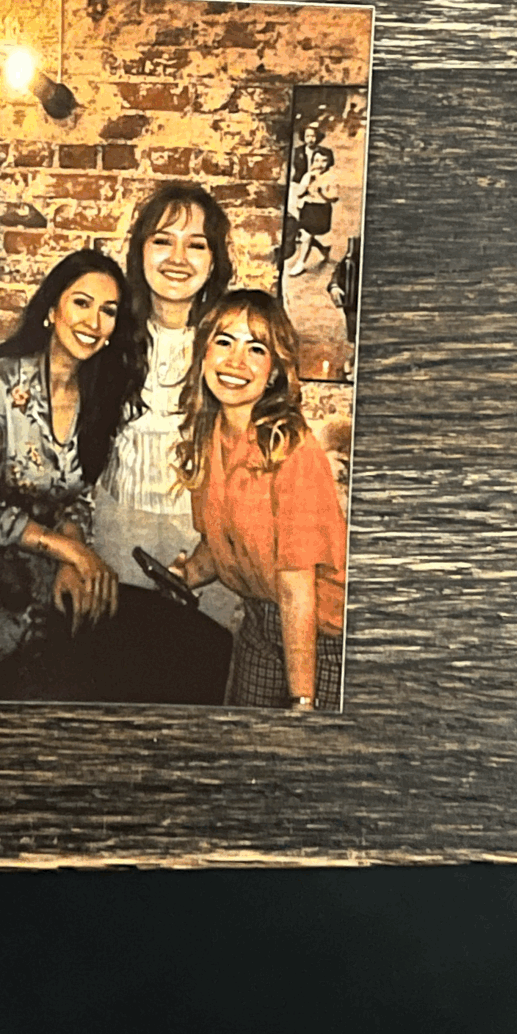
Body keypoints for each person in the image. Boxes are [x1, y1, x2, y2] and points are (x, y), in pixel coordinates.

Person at [0, 249, 141, 700]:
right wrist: (75, 554)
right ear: (52, 309)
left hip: (42, 570)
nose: (94, 322)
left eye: (108, 311)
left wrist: (69, 553)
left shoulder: (101, 395)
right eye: (82, 303)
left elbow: (78, 493)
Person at [169, 290, 347, 711]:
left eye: (256, 348)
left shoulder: (291, 450)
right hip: (260, 620)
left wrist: (303, 699)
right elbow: (222, 542)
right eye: (224, 342)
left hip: (321, 635)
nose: (235, 362)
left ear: (273, 372)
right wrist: (187, 573)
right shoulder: (209, 436)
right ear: (204, 354)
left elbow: (296, 588)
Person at [91, 182, 237, 630]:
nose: (177, 258)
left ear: (214, 262)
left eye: (196, 245)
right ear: (140, 253)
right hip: (114, 531)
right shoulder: (105, 333)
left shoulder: (232, 343)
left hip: (203, 542)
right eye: (163, 241)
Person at [289, 145, 338, 278]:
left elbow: (334, 198)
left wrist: (322, 192)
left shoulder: (331, 177)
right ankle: (318, 252)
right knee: (306, 236)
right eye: (316, 160)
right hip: (307, 209)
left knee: (307, 236)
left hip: (321, 211)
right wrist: (307, 181)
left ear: (329, 162)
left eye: (324, 161)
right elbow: (299, 193)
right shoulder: (308, 175)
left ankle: (302, 262)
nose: (320, 164)